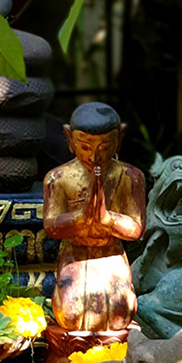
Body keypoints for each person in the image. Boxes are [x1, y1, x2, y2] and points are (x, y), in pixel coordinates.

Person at [43, 103, 146, 333]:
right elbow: (51, 227)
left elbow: (137, 229)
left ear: (119, 139)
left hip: (111, 253)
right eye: (85, 146)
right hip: (75, 254)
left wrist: (107, 219)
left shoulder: (130, 176)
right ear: (69, 138)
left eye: (105, 146)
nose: (94, 155)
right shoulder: (58, 178)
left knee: (120, 316)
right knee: (71, 316)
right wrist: (81, 217)